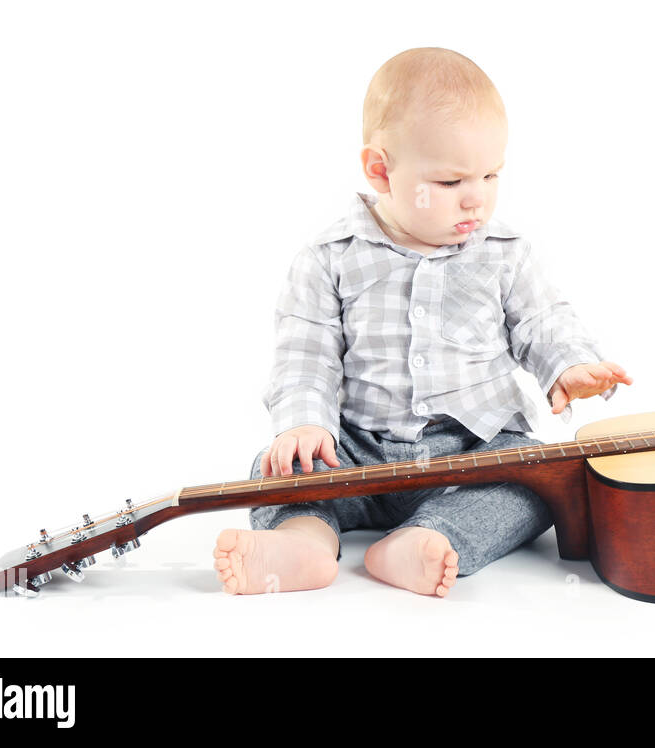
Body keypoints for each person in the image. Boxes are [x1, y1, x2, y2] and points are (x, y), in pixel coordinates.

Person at [212, 47, 631, 597]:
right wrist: (303, 424)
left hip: (471, 450)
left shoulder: (505, 253)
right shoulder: (329, 258)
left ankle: (426, 539)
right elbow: (305, 352)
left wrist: (569, 364)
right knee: (275, 473)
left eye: (490, 174)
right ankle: (303, 543)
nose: (477, 198)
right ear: (381, 171)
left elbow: (541, 318)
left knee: (530, 488)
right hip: (355, 453)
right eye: (453, 181)